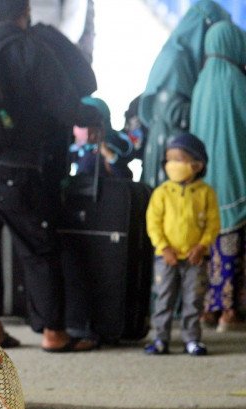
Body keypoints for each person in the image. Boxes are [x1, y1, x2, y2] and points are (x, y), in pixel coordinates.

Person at [0, 0, 91, 352]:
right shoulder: (29, 47)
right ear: (25, 13)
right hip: (15, 168)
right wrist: (92, 119)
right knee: (38, 246)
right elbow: (67, 105)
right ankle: (53, 332)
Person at [190, 21, 246, 332]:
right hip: (236, 178)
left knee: (209, 245)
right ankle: (229, 313)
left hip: (206, 182)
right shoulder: (238, 82)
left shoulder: (201, 84)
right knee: (232, 245)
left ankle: (208, 311)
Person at [139, 0, 230, 188]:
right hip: (171, 149)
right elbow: (172, 111)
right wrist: (213, 106)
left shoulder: (187, 58)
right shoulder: (176, 57)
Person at [144, 133, 220, 356]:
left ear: (197, 165)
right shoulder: (162, 193)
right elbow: (153, 224)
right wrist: (164, 247)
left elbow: (213, 224)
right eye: (169, 159)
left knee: (193, 300)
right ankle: (160, 338)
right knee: (164, 298)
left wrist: (202, 246)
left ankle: (192, 339)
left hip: (195, 258)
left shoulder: (206, 193)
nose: (172, 164)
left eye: (178, 159)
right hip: (166, 257)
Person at [70, 96, 134, 181]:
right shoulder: (77, 147)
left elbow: (126, 176)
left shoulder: (114, 144)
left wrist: (109, 155)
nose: (91, 136)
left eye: (93, 131)